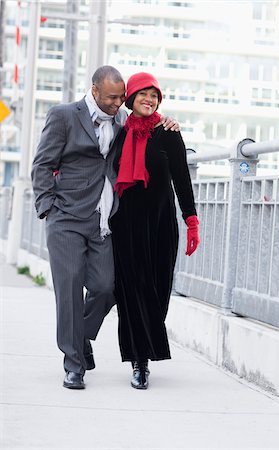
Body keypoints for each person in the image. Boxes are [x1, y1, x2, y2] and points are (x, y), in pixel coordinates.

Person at [31, 65, 179, 390]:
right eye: (111, 98)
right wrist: (47, 209)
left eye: (121, 98)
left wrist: (167, 122)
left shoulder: (122, 122)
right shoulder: (64, 115)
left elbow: (146, 126)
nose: (117, 103)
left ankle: (79, 336)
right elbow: (42, 163)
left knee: (106, 287)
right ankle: (74, 365)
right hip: (66, 218)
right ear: (94, 90)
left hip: (103, 220)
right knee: (69, 290)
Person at [110, 72, 200, 390]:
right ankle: (140, 361)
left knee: (159, 290)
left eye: (155, 96)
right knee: (132, 293)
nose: (149, 100)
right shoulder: (119, 133)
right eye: (143, 95)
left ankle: (146, 349)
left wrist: (191, 221)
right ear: (131, 98)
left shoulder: (168, 133)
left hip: (162, 225)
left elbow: (181, 179)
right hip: (127, 226)